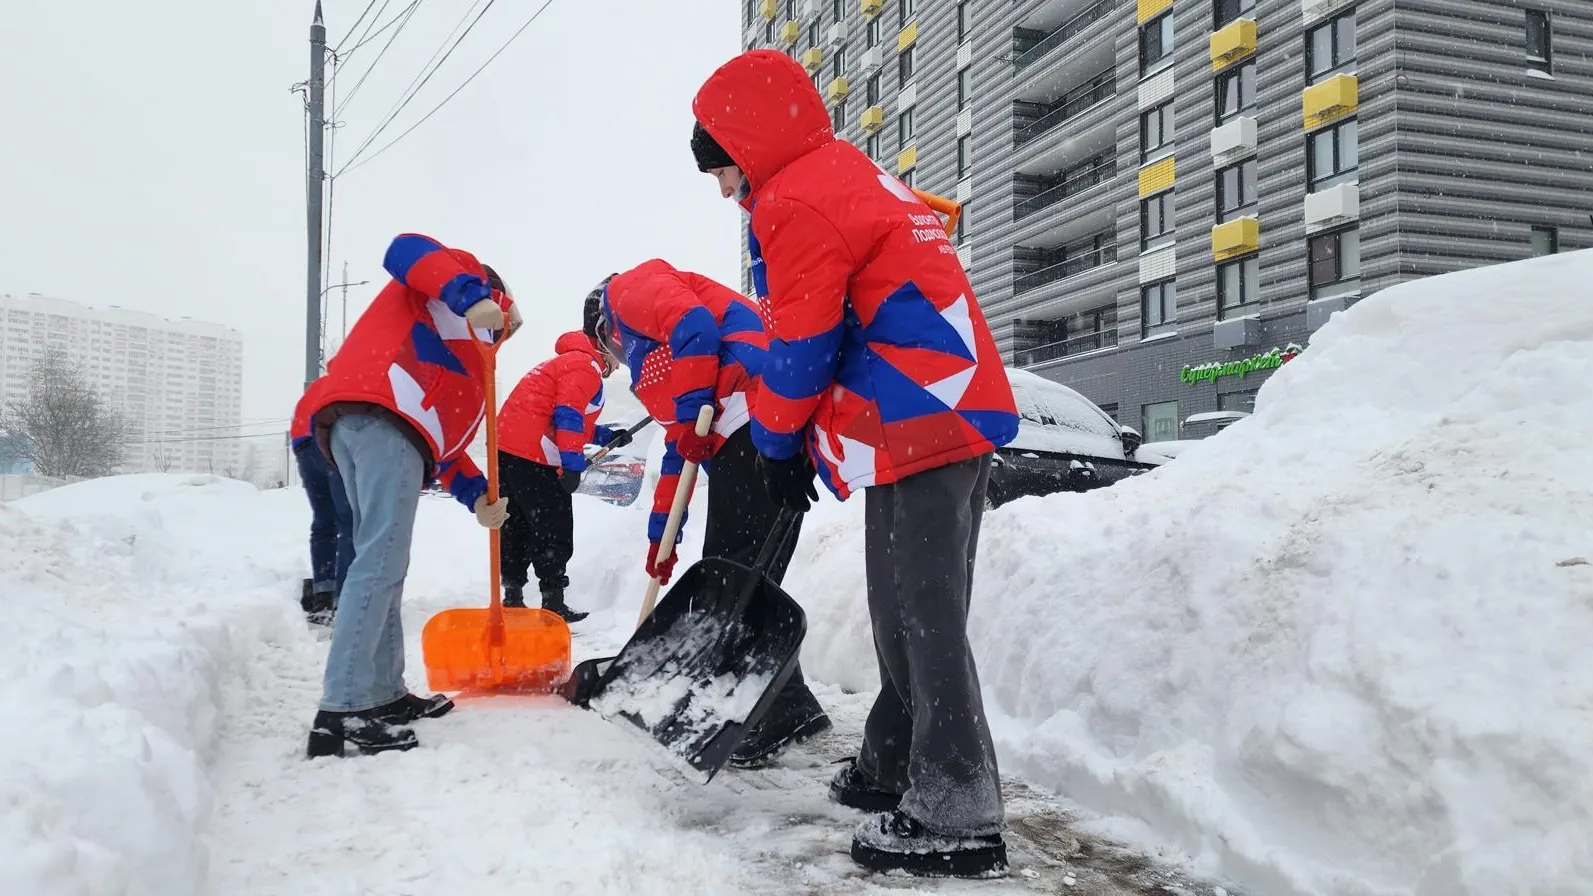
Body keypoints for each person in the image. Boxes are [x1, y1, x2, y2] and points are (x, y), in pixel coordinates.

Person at [690, 50, 1022, 878]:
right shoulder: (847, 176)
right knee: (896, 606)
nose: (725, 191)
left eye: (722, 169)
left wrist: (772, 443)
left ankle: (957, 809)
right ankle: (889, 765)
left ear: (748, 146)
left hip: (923, 418)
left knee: (924, 616)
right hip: (923, 419)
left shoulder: (798, 198)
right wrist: (799, 440)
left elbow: (802, 340)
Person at [587, 259, 832, 767]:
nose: (613, 353)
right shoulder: (660, 369)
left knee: (734, 577)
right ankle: (789, 704)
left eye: (606, 345)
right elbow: (681, 449)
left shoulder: (629, 291)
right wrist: (661, 546)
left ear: (603, 325)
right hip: (747, 433)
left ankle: (776, 712)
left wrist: (697, 409)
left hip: (757, 419)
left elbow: (694, 326)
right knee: (743, 575)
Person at [295, 234, 520, 759]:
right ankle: (345, 708)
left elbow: (444, 445)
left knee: (384, 565)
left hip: (378, 427)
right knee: (379, 563)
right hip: (380, 420)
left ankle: (382, 693)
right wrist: (473, 294)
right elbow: (405, 247)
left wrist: (476, 497)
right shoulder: (447, 284)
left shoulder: (455, 358)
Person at [494, 328, 633, 622]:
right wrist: (571, 465)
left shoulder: (563, 363)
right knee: (552, 526)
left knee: (515, 523)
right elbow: (567, 414)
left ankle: (512, 595)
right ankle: (552, 602)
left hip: (506, 450)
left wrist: (609, 435)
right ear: (605, 350)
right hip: (535, 456)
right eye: (618, 358)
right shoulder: (586, 366)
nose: (618, 365)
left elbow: (563, 418)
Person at [290, 386, 355, 626]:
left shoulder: (315, 389)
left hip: (302, 446)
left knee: (323, 520)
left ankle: (323, 591)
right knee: (347, 520)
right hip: (326, 440)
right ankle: (345, 597)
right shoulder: (342, 384)